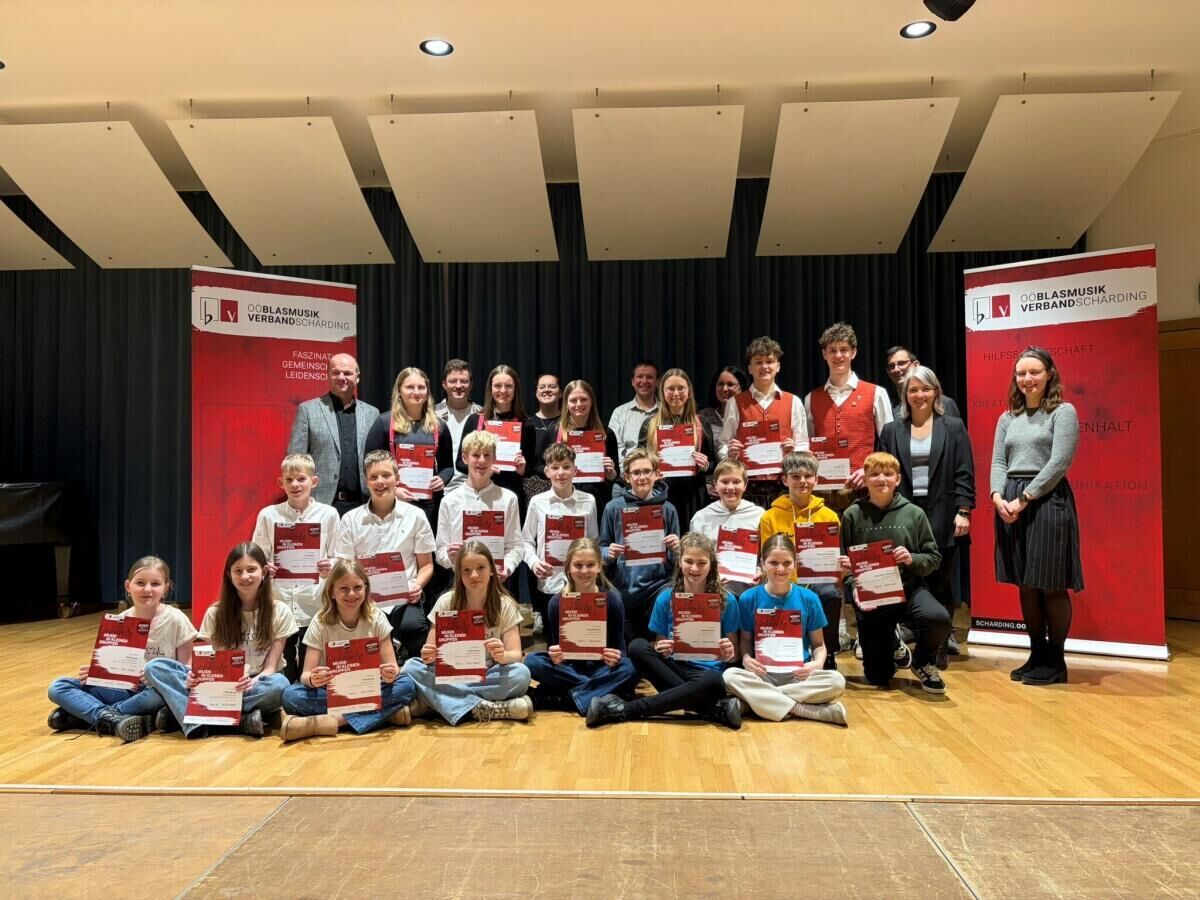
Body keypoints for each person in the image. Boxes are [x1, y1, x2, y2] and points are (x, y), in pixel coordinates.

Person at [990, 347, 1083, 687]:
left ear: (1049, 375)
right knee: (1026, 585)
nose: (1027, 379)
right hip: (1011, 498)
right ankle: (1037, 655)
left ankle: (1056, 661)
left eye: (1034, 372)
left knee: (1051, 585)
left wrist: (1025, 498)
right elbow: (998, 461)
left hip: (1046, 500)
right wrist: (998, 497)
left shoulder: (1063, 412)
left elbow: (1059, 463)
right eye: (1021, 373)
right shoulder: (1007, 418)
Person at [586, 533, 741, 729]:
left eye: (701, 563)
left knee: (714, 680)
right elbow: (660, 645)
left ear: (711, 564)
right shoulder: (666, 597)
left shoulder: (726, 600)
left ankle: (624, 710)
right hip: (675, 667)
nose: (694, 568)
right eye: (689, 561)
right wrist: (663, 649)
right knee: (637, 646)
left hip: (706, 674)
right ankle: (713, 709)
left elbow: (734, 654)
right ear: (680, 562)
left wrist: (728, 654)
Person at [144, 543, 295, 738]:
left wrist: (250, 682)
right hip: (224, 682)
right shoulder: (215, 613)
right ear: (229, 574)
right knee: (155, 667)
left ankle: (195, 716)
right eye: (238, 571)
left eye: (251, 569)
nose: (245, 576)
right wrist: (197, 678)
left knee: (280, 684)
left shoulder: (280, 611)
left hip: (258, 682)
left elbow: (270, 668)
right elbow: (220, 666)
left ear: (264, 571)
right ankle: (237, 721)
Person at [877, 366, 974, 668]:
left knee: (941, 583)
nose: (919, 395)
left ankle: (938, 646)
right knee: (905, 581)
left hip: (944, 513)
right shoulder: (891, 430)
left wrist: (963, 510)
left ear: (935, 392)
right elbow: (882, 473)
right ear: (905, 395)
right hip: (902, 514)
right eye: (913, 390)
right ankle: (904, 643)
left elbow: (964, 471)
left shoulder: (953, 426)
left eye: (925, 389)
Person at [47, 556, 196, 742]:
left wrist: (156, 676)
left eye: (155, 584)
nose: (147, 589)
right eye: (140, 583)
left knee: (159, 696)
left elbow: (184, 670)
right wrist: (96, 672)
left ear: (165, 588)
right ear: (128, 586)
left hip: (150, 692)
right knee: (58, 686)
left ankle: (91, 716)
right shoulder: (119, 620)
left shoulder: (176, 619)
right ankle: (116, 718)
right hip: (120, 689)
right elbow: (110, 665)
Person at [840, 452, 949, 694]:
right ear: (864, 479)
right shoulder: (851, 515)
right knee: (878, 677)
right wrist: (854, 586)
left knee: (938, 619)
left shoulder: (914, 513)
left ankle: (923, 661)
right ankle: (893, 641)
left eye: (888, 474)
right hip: (872, 597)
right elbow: (845, 563)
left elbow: (933, 558)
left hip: (910, 590)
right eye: (874, 474)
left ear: (897, 479)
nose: (882, 479)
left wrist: (912, 558)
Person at [279, 558, 416, 741]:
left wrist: (391, 673)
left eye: (357, 587)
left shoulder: (377, 617)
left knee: (406, 685)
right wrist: (313, 679)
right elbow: (305, 675)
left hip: (369, 688)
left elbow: (394, 668)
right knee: (291, 696)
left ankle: (334, 721)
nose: (351, 594)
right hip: (333, 692)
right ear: (332, 591)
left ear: (366, 588)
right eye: (344, 588)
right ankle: (387, 715)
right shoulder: (320, 621)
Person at [401, 541, 534, 723]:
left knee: (521, 674)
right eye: (466, 570)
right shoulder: (446, 602)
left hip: (487, 675)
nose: (474, 575)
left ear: (492, 570)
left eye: (481, 568)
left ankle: (438, 702)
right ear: (459, 574)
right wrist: (428, 655)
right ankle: (483, 708)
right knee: (410, 668)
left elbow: (516, 655)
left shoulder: (505, 605)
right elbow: (429, 654)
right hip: (452, 676)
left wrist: (503, 655)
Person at [724, 534, 848, 725]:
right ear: (762, 563)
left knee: (837, 681)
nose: (780, 569)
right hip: (762, 674)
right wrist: (747, 659)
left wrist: (816, 664)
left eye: (787, 563)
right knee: (729, 677)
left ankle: (753, 703)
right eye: (773, 562)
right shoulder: (749, 598)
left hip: (799, 675)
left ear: (795, 563)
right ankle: (804, 710)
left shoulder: (809, 598)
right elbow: (746, 640)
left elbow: (818, 644)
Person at [332, 450, 436, 660]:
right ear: (366, 482)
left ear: (397, 478)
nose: (380, 482)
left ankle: (401, 660)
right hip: (363, 598)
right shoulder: (350, 519)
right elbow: (345, 567)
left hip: (404, 597)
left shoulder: (416, 515)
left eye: (386, 475)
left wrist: (417, 585)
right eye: (373, 477)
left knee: (413, 628)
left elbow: (426, 566)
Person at [524, 538, 640, 716]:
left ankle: (562, 699)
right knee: (532, 661)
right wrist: (555, 655)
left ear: (599, 566)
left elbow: (621, 649)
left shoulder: (612, 599)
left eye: (590, 565)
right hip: (570, 669)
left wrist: (615, 657)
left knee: (631, 668)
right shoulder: (556, 602)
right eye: (578, 565)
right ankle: (601, 692)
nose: (584, 571)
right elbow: (555, 648)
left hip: (602, 667)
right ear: (568, 568)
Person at [251, 453, 340, 679]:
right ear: (281, 483)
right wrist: (265, 567)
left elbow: (339, 556)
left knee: (311, 671)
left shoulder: (329, 515)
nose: (295, 485)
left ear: (314, 481)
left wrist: (330, 565)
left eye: (301, 479)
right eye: (289, 480)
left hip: (315, 601)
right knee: (284, 669)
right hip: (279, 601)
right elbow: (256, 558)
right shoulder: (268, 515)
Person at [758, 451, 843, 669]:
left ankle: (828, 652)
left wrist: (840, 566)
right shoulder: (769, 517)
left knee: (831, 593)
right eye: (795, 476)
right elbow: (766, 557)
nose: (802, 481)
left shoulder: (829, 516)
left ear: (816, 479)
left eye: (808, 476)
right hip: (783, 579)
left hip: (816, 580)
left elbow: (834, 559)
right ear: (785, 480)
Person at [804, 322, 893, 513]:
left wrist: (868, 470)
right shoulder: (811, 398)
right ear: (824, 354)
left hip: (864, 489)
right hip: (823, 493)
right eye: (832, 350)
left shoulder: (876, 393)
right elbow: (809, 445)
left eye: (844, 349)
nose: (838, 355)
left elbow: (889, 443)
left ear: (853, 352)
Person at [599, 448, 682, 641]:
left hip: (659, 586)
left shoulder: (668, 509)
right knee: (631, 646)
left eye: (647, 471)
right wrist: (608, 553)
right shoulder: (613, 508)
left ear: (657, 474)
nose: (642, 477)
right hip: (624, 588)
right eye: (636, 472)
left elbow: (675, 560)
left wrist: (677, 549)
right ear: (627, 477)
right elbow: (601, 546)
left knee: (658, 641)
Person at [719, 336, 809, 510]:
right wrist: (729, 453)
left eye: (769, 361)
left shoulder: (793, 402)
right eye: (758, 362)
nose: (764, 367)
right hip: (747, 488)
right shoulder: (735, 403)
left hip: (784, 486)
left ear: (778, 366)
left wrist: (794, 452)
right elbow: (723, 443)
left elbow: (803, 444)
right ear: (750, 368)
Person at [287, 353, 381, 515]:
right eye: (336, 372)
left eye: (347, 373)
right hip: (319, 505)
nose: (341, 377)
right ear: (328, 376)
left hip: (364, 505)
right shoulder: (308, 410)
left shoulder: (372, 413)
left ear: (357, 377)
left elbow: (379, 459)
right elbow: (294, 460)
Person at [364, 366, 454, 533]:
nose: (416, 392)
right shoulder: (384, 423)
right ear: (399, 391)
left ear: (427, 392)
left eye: (421, 387)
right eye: (410, 387)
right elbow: (369, 465)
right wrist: (394, 490)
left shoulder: (439, 426)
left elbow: (448, 467)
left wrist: (442, 479)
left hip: (430, 505)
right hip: (393, 503)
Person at [522, 443, 599, 628]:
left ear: (575, 470)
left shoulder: (589, 501)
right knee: (553, 639)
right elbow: (525, 541)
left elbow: (593, 541)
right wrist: (534, 563)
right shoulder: (537, 502)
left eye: (566, 466)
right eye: (555, 467)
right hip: (549, 582)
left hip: (581, 581)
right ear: (547, 471)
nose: (561, 473)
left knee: (580, 634)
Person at [435, 430, 524, 583]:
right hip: (461, 582)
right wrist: (450, 558)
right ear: (465, 458)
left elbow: (515, 546)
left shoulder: (509, 499)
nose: (482, 461)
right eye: (476, 455)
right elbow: (440, 551)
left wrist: (507, 567)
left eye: (487, 455)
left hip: (496, 580)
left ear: (494, 458)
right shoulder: (449, 501)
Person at [638, 367, 714, 525]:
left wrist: (705, 466)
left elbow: (713, 463)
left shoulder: (702, 423)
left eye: (681, 388)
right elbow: (639, 462)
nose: (676, 393)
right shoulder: (649, 424)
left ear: (689, 391)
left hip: (694, 497)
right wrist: (652, 469)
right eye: (670, 389)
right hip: (661, 494)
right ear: (662, 392)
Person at [455, 364, 529, 513]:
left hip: (512, 493)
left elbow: (531, 467)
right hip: (478, 494)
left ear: (515, 389)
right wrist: (483, 467)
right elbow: (460, 463)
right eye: (498, 386)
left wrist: (523, 469)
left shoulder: (526, 424)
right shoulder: (475, 420)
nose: (503, 390)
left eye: (509, 386)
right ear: (490, 389)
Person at [689, 458, 765, 596]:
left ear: (745, 485)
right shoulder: (701, 518)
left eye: (736, 482)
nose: (730, 487)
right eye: (724, 482)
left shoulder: (759, 515)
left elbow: (767, 554)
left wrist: (761, 570)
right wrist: (710, 575)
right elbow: (695, 558)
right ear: (715, 485)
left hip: (752, 592)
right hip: (714, 592)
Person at [557, 379, 619, 521]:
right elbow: (545, 467)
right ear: (566, 403)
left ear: (591, 402)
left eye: (584, 399)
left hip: (598, 501)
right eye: (573, 400)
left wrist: (611, 473)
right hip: (565, 500)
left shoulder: (606, 433)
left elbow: (615, 474)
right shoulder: (556, 433)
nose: (579, 404)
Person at [435, 359, 483, 495]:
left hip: (475, 489)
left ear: (471, 384)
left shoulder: (482, 415)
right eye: (453, 381)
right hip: (439, 488)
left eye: (464, 381)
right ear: (444, 384)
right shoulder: (431, 416)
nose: (458, 385)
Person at [884, 346, 961, 421]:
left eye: (901, 363)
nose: (896, 369)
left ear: (916, 365)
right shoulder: (888, 406)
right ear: (888, 372)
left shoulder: (944, 403)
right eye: (892, 366)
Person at [608, 359, 659, 469]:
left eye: (649, 377)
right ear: (632, 381)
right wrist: (626, 474)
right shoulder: (619, 413)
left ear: (657, 382)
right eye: (640, 376)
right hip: (627, 476)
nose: (644, 381)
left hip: (661, 475)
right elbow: (615, 450)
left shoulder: (666, 412)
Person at [522, 372, 563, 503]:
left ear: (560, 393)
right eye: (542, 387)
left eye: (552, 386)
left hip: (563, 485)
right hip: (533, 488)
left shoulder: (569, 424)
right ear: (536, 393)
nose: (547, 390)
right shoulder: (526, 424)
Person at [698, 365, 748, 460]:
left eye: (730, 384)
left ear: (741, 387)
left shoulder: (749, 413)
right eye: (720, 384)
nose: (724, 389)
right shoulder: (703, 416)